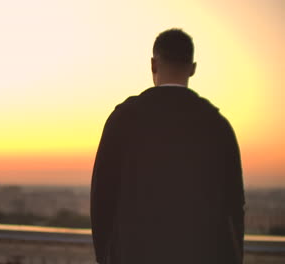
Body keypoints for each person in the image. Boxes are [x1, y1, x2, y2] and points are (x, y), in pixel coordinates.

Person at [90, 29, 245, 264]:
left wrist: (107, 257)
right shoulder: (217, 126)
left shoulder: (123, 120)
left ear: (153, 64)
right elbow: (234, 209)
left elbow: (102, 200)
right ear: (192, 68)